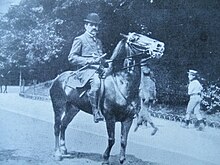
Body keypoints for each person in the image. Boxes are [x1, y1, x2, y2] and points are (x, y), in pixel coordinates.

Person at [68, 13, 107, 123]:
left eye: (96, 25)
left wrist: (106, 62)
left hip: (99, 69)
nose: (95, 27)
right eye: (92, 25)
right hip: (85, 70)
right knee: (97, 83)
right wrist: (88, 61)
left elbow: (101, 58)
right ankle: (96, 111)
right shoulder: (80, 39)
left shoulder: (98, 42)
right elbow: (71, 57)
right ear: (86, 25)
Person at [134, 66, 158, 136]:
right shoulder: (152, 80)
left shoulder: (143, 79)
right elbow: (154, 90)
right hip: (150, 97)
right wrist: (154, 98)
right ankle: (139, 124)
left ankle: (153, 126)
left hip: (145, 97)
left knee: (144, 111)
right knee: (143, 110)